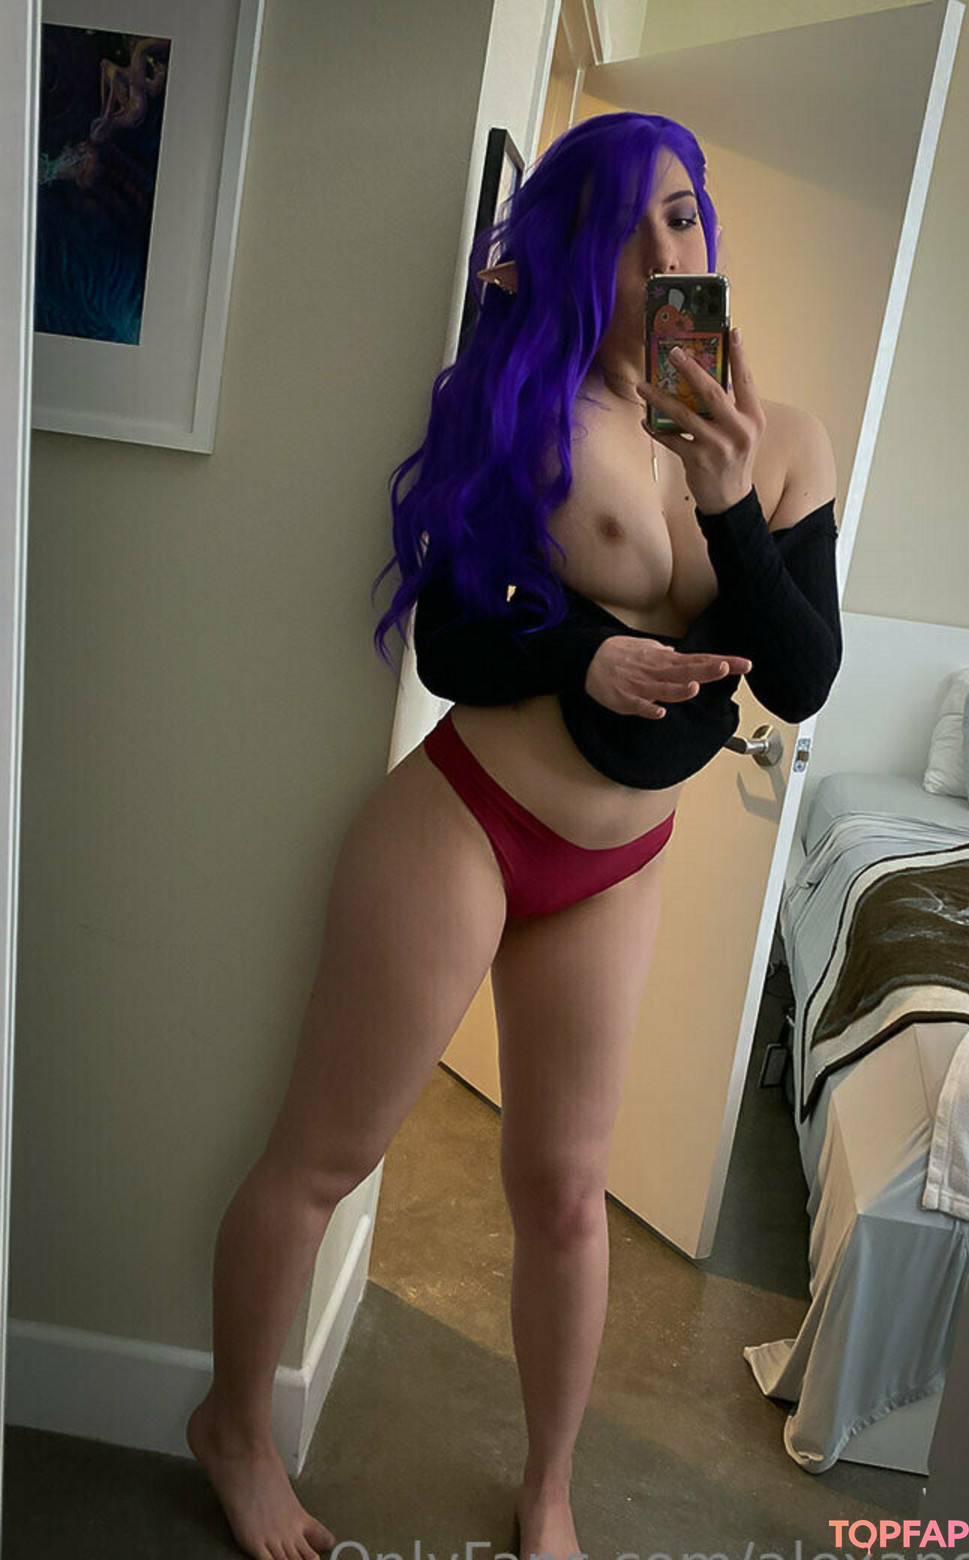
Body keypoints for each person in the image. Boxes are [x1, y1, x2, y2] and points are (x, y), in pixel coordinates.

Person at [186, 111, 842, 1560]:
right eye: (630, 225)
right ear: (578, 252)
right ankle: (232, 1427)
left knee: (564, 1193)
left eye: (686, 216)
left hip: (619, 868)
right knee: (325, 1156)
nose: (667, 250)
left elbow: (800, 678)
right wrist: (582, 656)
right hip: (467, 828)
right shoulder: (529, 411)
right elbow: (451, 637)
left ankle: (548, 1491)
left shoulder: (781, 442)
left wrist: (730, 500)